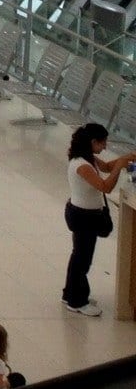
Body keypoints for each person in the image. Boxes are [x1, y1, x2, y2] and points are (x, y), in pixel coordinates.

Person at [63, 122, 136, 315]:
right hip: (83, 217)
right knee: (83, 259)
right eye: (103, 143)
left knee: (77, 256)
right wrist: (120, 167)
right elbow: (105, 186)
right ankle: (77, 301)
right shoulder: (81, 165)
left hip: (83, 214)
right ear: (93, 142)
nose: (105, 147)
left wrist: (123, 159)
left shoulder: (88, 159)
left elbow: (106, 167)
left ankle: (69, 293)